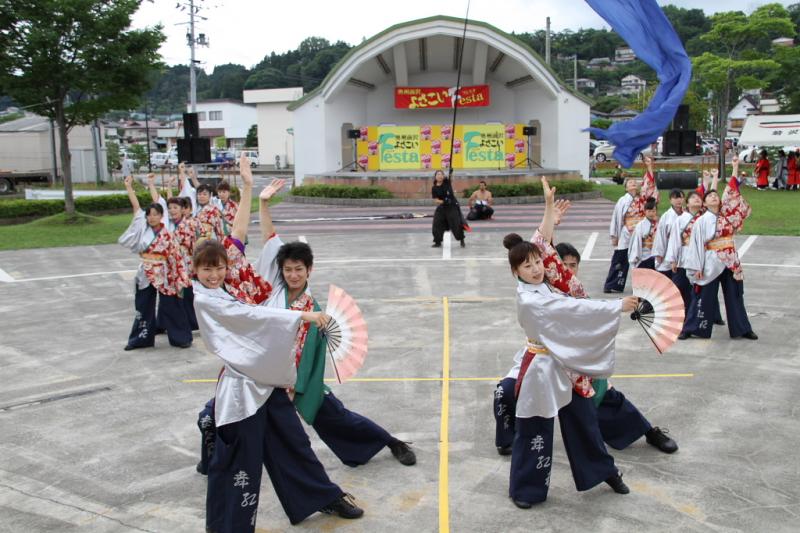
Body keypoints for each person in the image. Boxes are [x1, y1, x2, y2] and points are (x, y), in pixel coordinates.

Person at [196, 179, 416, 475]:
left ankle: (390, 441)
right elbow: (268, 236)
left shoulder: (311, 310)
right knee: (212, 414)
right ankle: (211, 462)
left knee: (336, 417)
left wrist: (292, 385)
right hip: (259, 372)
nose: (293, 274)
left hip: (294, 378)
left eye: (299, 269)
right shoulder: (272, 286)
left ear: (309, 270)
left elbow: (305, 353)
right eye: (288, 269)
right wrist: (261, 202)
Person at [197, 155, 364, 532]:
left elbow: (237, 236)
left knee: (294, 443)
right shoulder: (210, 299)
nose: (216, 272)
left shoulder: (239, 277)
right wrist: (300, 317)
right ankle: (229, 526)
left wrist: (248, 190)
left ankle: (322, 495)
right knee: (239, 462)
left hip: (269, 381)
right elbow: (254, 319)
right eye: (207, 268)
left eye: (220, 265)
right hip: (241, 389)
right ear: (195, 271)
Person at [494, 213, 676, 460]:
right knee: (506, 390)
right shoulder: (543, 284)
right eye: (563, 264)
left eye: (573, 265)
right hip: (543, 357)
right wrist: (549, 211)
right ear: (552, 264)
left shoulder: (576, 290)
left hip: (577, 360)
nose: (568, 270)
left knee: (603, 396)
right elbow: (538, 243)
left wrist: (613, 312)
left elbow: (587, 313)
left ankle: (646, 431)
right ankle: (507, 439)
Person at [504, 178, 638, 508]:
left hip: (568, 365)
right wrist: (616, 305)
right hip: (542, 367)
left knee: (584, 422)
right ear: (516, 272)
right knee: (534, 427)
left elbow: (541, 241)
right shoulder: (534, 299)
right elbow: (573, 308)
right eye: (528, 266)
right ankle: (525, 489)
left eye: (538, 262)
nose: (537, 268)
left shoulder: (549, 279)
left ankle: (605, 472)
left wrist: (549, 208)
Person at [681, 157, 758, 341]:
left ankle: (742, 328)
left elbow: (732, 192)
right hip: (711, 260)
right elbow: (696, 246)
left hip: (730, 260)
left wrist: (735, 167)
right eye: (710, 196)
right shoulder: (701, 221)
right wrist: (696, 267)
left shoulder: (727, 215)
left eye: (716, 195)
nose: (714, 197)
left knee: (735, 295)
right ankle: (692, 327)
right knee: (703, 296)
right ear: (704, 204)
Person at [118, 175, 192, 350]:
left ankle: (181, 337)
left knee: (172, 304)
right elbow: (136, 207)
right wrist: (129, 188)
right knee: (143, 306)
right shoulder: (143, 228)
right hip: (146, 272)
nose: (152, 218)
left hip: (166, 272)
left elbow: (174, 254)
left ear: (162, 215)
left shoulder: (167, 227)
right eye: (149, 215)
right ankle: (140, 338)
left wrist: (179, 274)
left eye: (155, 214)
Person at [604, 155, 657, 292]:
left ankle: (644, 285)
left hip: (641, 233)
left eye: (635, 182)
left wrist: (649, 166)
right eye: (630, 183)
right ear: (626, 188)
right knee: (620, 258)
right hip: (627, 232)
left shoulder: (643, 198)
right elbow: (616, 218)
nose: (633, 184)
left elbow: (650, 185)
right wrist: (614, 235)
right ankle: (613, 284)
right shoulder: (623, 200)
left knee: (642, 258)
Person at [651, 188, 685, 279]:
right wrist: (659, 253)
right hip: (668, 251)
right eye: (675, 198)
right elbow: (660, 236)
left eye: (681, 198)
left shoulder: (686, 214)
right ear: (670, 200)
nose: (679, 200)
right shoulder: (666, 216)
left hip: (683, 251)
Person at [431, 169, 466, 248]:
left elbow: (450, 177)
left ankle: (461, 240)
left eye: (441, 174)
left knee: (456, 224)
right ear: (435, 177)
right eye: (438, 174)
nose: (439, 176)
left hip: (452, 206)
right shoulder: (434, 188)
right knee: (436, 224)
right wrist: (443, 201)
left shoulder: (447, 183)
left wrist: (451, 172)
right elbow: (436, 200)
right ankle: (437, 241)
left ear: (443, 176)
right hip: (442, 207)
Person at [627, 197, 658, 269]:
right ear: (645, 211)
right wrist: (634, 260)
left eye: (653, 211)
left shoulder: (659, 224)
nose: (651, 213)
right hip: (644, 258)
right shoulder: (640, 226)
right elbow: (636, 244)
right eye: (649, 211)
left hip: (656, 258)